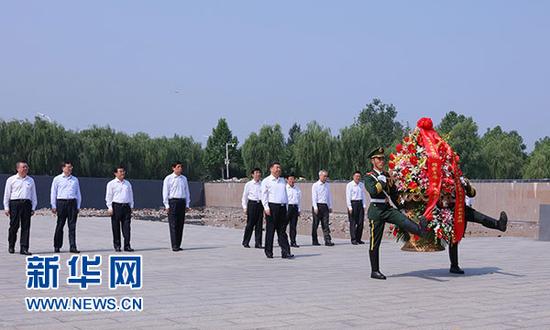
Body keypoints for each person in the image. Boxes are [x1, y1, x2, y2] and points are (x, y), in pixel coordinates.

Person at [365, 147, 429, 280]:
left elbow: (393, 194)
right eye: (379, 159)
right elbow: (372, 191)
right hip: (376, 211)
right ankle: (374, 271)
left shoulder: (387, 175)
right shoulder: (369, 177)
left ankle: (420, 230)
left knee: (402, 219)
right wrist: (381, 181)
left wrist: (401, 207)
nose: (382, 161)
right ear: (373, 161)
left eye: (383, 159)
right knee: (374, 243)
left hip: (387, 209)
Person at [448, 177, 508, 274]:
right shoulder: (443, 179)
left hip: (462, 210)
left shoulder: (461, 179)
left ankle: (499, 225)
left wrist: (466, 186)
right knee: (454, 239)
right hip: (448, 211)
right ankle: (454, 266)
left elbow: (472, 194)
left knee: (480, 218)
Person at [3, 161, 37, 255]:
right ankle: (11, 245)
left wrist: (33, 207)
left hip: (26, 204)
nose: (25, 169)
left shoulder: (30, 180)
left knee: (26, 227)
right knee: (14, 226)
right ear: (18, 168)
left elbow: (33, 195)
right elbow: (7, 194)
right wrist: (6, 207)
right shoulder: (11, 179)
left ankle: (24, 248)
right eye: (23, 167)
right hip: (15, 203)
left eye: (26, 167)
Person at [261, 162, 293, 259]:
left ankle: (286, 251)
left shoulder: (283, 180)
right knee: (270, 230)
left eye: (279, 168)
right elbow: (263, 195)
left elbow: (285, 195)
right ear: (271, 169)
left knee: (282, 231)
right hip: (272, 207)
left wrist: (287, 207)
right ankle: (269, 252)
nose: (278, 169)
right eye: (276, 167)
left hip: (282, 207)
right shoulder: (266, 181)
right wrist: (266, 207)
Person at [50, 161, 82, 253]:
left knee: (72, 226)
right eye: (68, 167)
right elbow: (53, 192)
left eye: (71, 167)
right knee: (60, 225)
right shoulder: (57, 179)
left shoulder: (75, 180)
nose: (70, 169)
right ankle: (57, 246)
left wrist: (78, 206)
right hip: (61, 203)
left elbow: (78, 193)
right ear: (63, 168)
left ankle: (73, 246)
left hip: (72, 203)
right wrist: (53, 205)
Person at [162, 161, 191, 252]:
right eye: (178, 167)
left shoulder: (184, 179)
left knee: (180, 224)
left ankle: (178, 244)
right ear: (173, 168)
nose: (180, 168)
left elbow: (187, 192)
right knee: (173, 224)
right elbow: (165, 192)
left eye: (181, 167)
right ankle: (174, 245)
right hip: (173, 202)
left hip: (182, 202)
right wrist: (166, 205)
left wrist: (187, 204)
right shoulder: (169, 178)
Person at [105, 165, 134, 252]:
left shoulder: (127, 183)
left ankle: (127, 245)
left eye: (123, 171)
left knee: (127, 227)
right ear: (115, 173)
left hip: (126, 207)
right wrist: (109, 207)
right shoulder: (111, 184)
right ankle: (117, 245)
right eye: (120, 171)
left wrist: (131, 206)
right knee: (116, 227)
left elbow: (131, 195)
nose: (122, 173)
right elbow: (109, 196)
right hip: (116, 206)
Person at [241, 168, 263, 248]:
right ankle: (246, 241)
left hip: (260, 204)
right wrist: (245, 207)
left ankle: (258, 243)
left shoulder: (262, 184)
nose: (258, 174)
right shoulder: (249, 184)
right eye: (256, 173)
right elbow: (244, 197)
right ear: (252, 174)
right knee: (250, 224)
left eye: (259, 173)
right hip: (252, 204)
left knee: (259, 225)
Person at [311, 170, 334, 246]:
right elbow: (314, 197)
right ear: (320, 176)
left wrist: (330, 206)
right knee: (315, 224)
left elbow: (329, 196)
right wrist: (315, 207)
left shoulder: (327, 185)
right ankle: (315, 240)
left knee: (326, 224)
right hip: (317, 205)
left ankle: (327, 240)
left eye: (326, 176)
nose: (325, 178)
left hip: (325, 206)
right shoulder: (315, 185)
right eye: (324, 176)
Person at [346, 171, 367, 245]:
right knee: (353, 222)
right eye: (356, 176)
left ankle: (359, 239)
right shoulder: (350, 185)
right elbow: (348, 196)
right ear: (353, 177)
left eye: (359, 176)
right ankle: (353, 239)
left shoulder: (361, 185)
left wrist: (364, 205)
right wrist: (349, 207)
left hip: (360, 204)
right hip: (353, 204)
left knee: (360, 223)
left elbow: (363, 195)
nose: (358, 178)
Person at [286, 173, 302, 248]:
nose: (292, 181)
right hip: (287, 208)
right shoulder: (284, 188)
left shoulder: (297, 189)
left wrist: (299, 209)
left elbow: (299, 200)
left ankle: (293, 241)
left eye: (293, 179)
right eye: (290, 179)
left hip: (295, 208)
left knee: (293, 226)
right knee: (283, 226)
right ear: (287, 180)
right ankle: (282, 241)